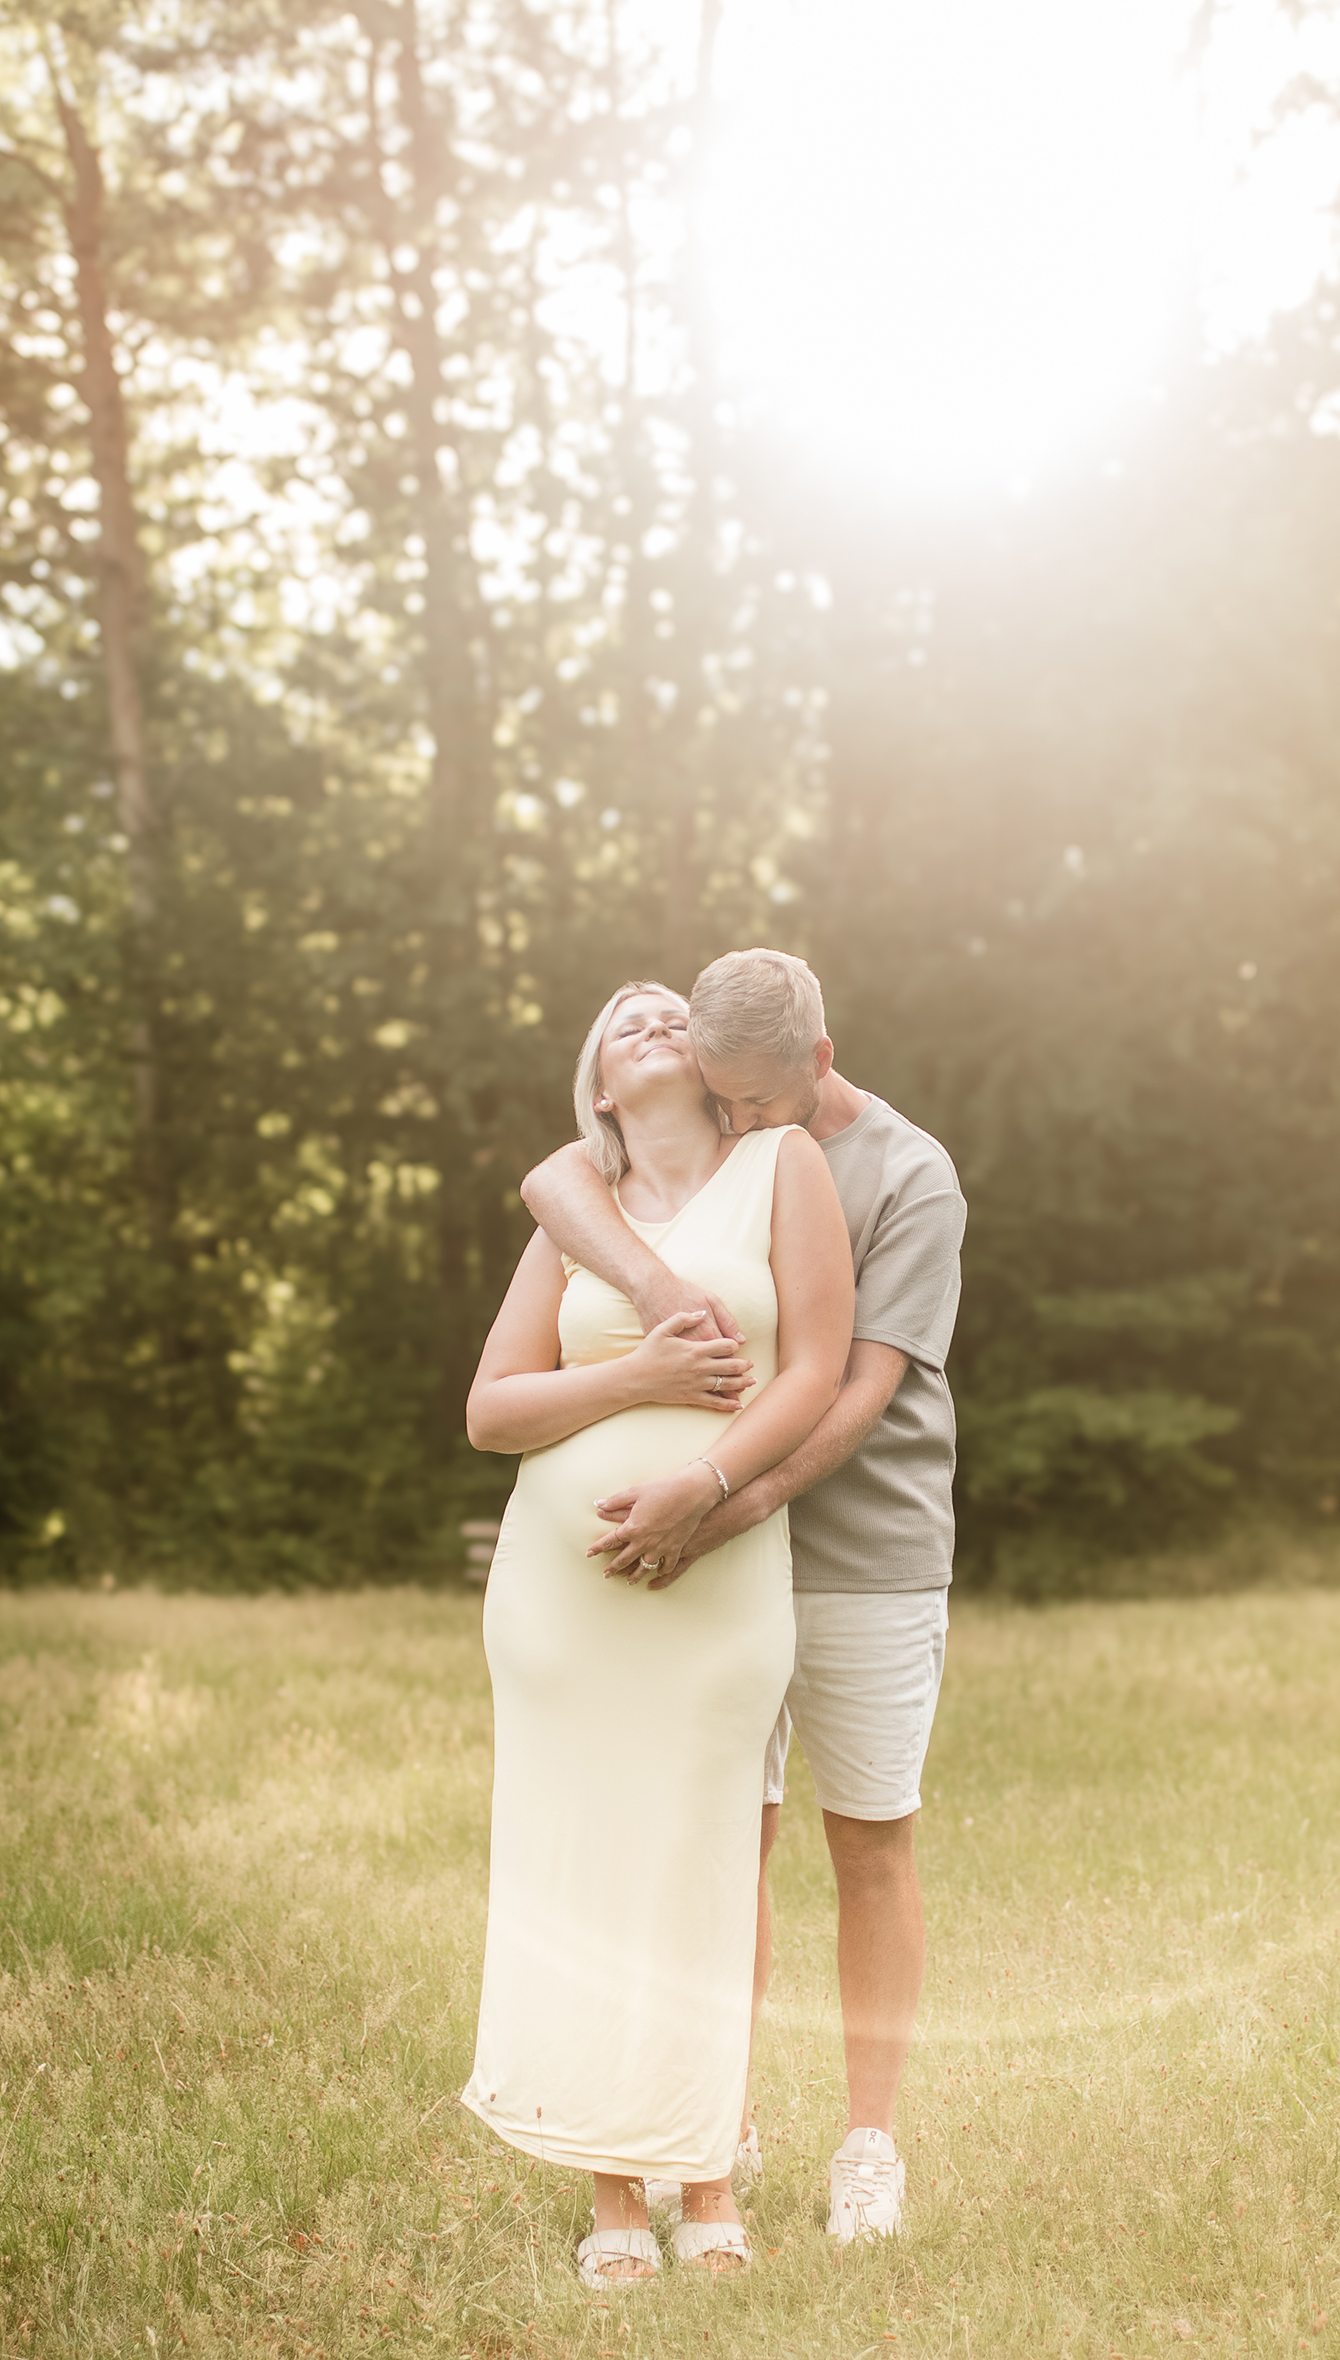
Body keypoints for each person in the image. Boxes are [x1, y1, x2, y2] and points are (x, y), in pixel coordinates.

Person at [520, 948, 966, 2245]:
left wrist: (729, 1500)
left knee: (870, 1835)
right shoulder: (710, 1130)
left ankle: (869, 2143)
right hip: (715, 1553)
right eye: (729, 1102)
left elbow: (862, 1384)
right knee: (729, 1840)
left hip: (860, 1547)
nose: (747, 1127)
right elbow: (563, 1179)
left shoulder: (909, 1174)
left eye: (765, 1105)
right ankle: (714, 2119)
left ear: (818, 1066)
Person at [462, 980, 853, 2292]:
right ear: (601, 1089)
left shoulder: (780, 1165)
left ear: (712, 1060)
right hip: (561, 1606)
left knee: (700, 1863)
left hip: (721, 1586)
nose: (648, 1019)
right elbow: (492, 1410)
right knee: (585, 1874)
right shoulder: (578, 1214)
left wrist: (707, 1481)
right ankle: (614, 2191)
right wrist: (634, 1380)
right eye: (620, 1022)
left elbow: (815, 1365)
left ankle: (707, 2176)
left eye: (668, 1011)